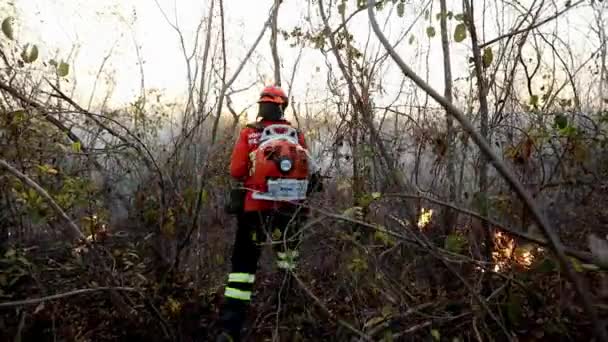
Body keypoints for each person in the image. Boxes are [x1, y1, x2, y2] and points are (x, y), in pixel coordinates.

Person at [216, 85, 322, 341]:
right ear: (282, 106)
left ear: (261, 106)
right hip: (290, 211)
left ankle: (230, 327)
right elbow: (309, 169)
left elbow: (236, 171)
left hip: (255, 209)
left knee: (243, 267)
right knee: (288, 261)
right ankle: (286, 316)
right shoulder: (296, 135)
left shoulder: (249, 133)